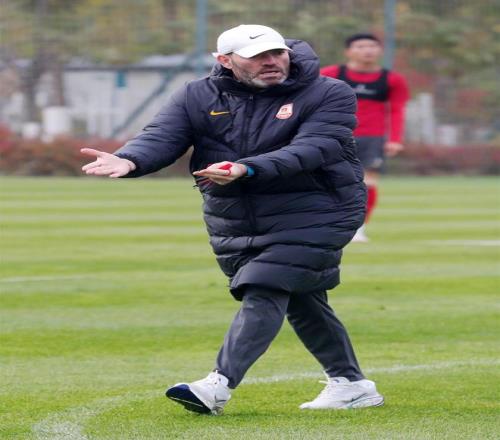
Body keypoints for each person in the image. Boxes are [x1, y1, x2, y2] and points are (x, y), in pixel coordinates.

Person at [81, 24, 384, 415]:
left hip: (319, 207)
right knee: (300, 297)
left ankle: (217, 386)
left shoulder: (329, 91)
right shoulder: (196, 94)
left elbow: (315, 147)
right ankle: (351, 383)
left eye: (276, 53)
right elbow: (162, 136)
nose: (271, 62)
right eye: (257, 56)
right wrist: (130, 159)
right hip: (236, 214)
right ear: (225, 61)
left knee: (265, 285)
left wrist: (246, 168)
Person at [321, 33, 410, 242]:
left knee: (367, 182)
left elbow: (397, 110)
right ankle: (325, 222)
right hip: (334, 135)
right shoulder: (330, 74)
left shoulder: (392, 79)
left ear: (380, 50)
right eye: (360, 46)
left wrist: (395, 139)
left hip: (372, 138)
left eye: (372, 46)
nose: (367, 50)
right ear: (348, 51)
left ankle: (358, 228)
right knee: (327, 180)